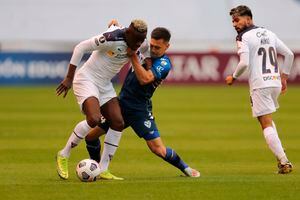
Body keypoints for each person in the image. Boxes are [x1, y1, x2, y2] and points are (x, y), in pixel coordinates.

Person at [85, 26, 200, 179]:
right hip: (120, 104)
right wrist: (115, 25)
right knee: (91, 137)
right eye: (151, 45)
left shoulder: (164, 63)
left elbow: (145, 79)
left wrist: (133, 57)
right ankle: (97, 169)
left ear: (167, 46)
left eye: (158, 47)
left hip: (139, 110)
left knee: (158, 149)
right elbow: (127, 34)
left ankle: (186, 169)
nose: (153, 49)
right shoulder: (143, 49)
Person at [56, 19, 148, 180]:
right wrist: (69, 78)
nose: (137, 45)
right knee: (94, 119)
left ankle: (104, 168)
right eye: (135, 41)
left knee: (118, 122)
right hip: (87, 80)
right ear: (127, 34)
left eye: (141, 41)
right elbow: (80, 47)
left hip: (104, 85)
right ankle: (63, 154)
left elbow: (144, 52)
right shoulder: (112, 38)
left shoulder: (140, 42)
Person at [225, 5, 294, 174]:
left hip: (260, 84)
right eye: (233, 21)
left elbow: (245, 63)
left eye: (237, 20)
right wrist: (284, 77)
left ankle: (284, 162)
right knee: (268, 121)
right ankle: (281, 158)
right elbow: (289, 54)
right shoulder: (268, 32)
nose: (234, 24)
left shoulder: (243, 37)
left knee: (265, 123)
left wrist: (233, 77)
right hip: (275, 82)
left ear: (248, 19)